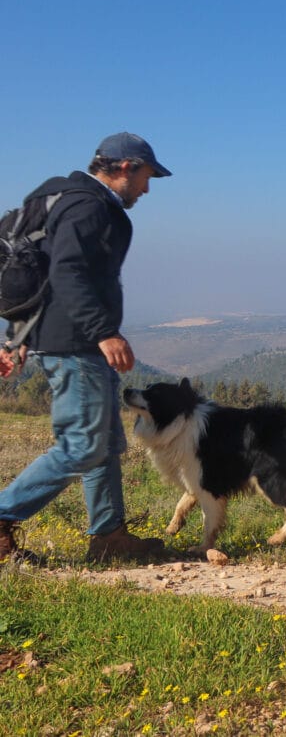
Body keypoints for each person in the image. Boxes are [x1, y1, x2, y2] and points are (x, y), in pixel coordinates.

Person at [0, 132, 173, 564]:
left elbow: (29, 269)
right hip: (75, 343)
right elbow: (66, 272)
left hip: (60, 337)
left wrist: (17, 335)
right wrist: (104, 331)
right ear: (125, 167)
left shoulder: (58, 196)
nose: (147, 189)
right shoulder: (89, 205)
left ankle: (109, 535)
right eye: (146, 177)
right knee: (83, 444)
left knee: (105, 441)